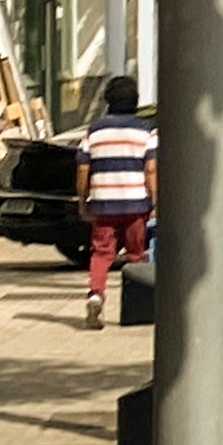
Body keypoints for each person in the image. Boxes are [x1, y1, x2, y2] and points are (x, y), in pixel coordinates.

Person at [78, 76, 158, 328]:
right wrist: (154, 201)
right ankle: (139, 306)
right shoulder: (146, 131)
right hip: (136, 204)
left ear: (107, 101)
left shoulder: (94, 131)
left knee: (102, 253)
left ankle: (95, 294)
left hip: (103, 203)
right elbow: (151, 169)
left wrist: (83, 200)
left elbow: (82, 168)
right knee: (137, 254)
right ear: (135, 101)